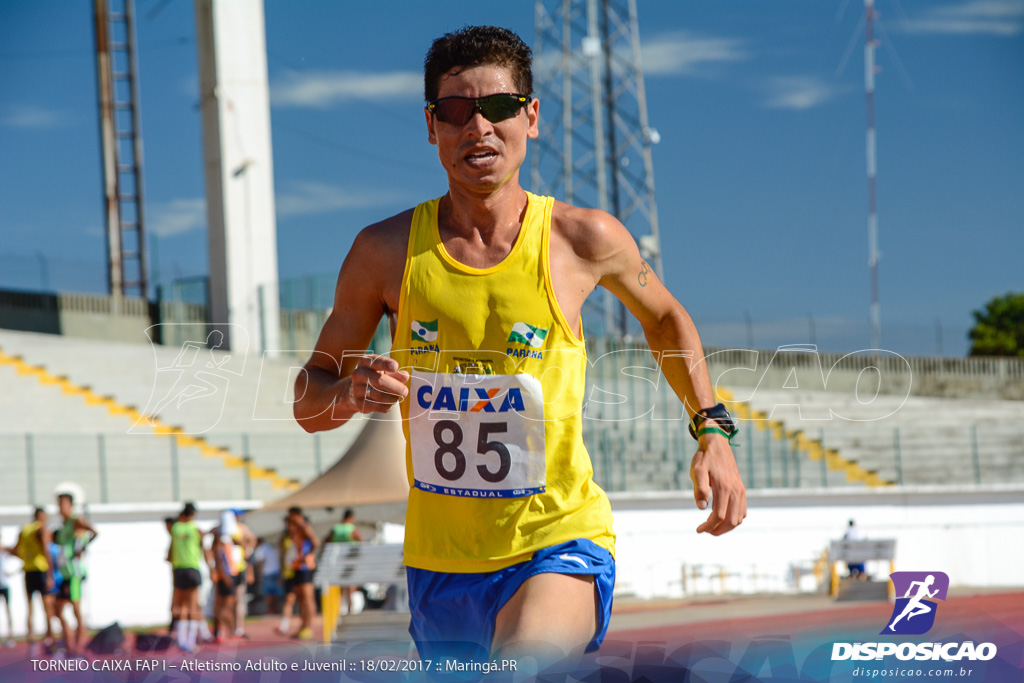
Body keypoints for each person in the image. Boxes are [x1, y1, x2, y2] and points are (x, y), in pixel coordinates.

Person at [293, 25, 746, 663]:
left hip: (557, 540)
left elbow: (666, 316)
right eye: (456, 110)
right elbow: (307, 402)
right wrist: (348, 393)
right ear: (431, 126)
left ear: (530, 118)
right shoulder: (384, 253)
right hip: (439, 562)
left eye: (499, 107)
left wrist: (712, 428)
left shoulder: (582, 239)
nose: (478, 127)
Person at [52, 493, 99, 656]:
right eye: (58, 504)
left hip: (74, 574)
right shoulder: (63, 525)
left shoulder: (75, 520)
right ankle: (70, 646)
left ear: (70, 505)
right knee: (57, 611)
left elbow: (94, 532)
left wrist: (82, 548)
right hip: (63, 574)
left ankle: (78, 650)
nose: (59, 507)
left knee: (76, 610)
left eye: (62, 504)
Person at [14, 508, 55, 654]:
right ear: (42, 517)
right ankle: (49, 639)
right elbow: (46, 550)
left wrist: (26, 559)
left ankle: (31, 641)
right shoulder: (42, 530)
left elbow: (16, 550)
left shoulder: (24, 530)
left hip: (28, 570)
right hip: (40, 570)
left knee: (30, 607)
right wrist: (50, 575)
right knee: (47, 607)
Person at [169, 502, 204, 653]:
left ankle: (181, 640)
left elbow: (171, 550)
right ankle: (190, 641)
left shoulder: (175, 528)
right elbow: (201, 546)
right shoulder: (195, 529)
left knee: (182, 605)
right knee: (193, 605)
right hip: (192, 567)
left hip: (179, 569)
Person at [320, 509, 364, 616]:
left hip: (337, 561)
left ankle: (338, 609)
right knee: (350, 585)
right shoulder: (352, 529)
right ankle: (350, 609)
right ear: (351, 517)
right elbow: (361, 543)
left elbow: (326, 542)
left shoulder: (335, 529)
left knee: (340, 587)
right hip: (349, 560)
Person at [285, 514, 319, 640]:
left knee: (307, 597)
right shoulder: (294, 531)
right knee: (300, 598)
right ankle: (303, 626)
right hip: (297, 567)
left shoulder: (305, 527)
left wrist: (308, 556)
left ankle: (308, 627)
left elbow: (316, 542)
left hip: (306, 567)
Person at [254, 537, 283, 614]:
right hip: (275, 572)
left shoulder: (260, 549)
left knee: (268, 593)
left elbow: (261, 562)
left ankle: (270, 609)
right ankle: (274, 609)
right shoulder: (270, 548)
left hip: (267, 573)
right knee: (274, 592)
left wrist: (259, 574)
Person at [0, 542, 17, 648]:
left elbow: (17, 552)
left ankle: (10, 637)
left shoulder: (5, 553)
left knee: (8, 610)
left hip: (5, 585)